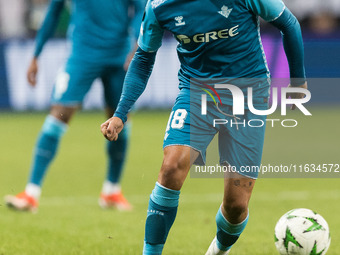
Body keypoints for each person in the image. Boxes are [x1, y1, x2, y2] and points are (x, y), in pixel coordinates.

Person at [101, 0, 307, 254]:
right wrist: (121, 113)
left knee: (236, 205)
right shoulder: (159, 6)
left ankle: (217, 251)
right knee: (171, 166)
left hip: (247, 95)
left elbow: (289, 23)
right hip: (197, 92)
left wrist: (298, 81)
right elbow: (143, 58)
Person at [5, 0, 145, 213]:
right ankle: (31, 194)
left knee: (119, 122)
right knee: (58, 115)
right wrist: (36, 54)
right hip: (82, 56)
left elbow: (141, 8)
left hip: (119, 57)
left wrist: (137, 41)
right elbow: (53, 13)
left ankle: (111, 191)